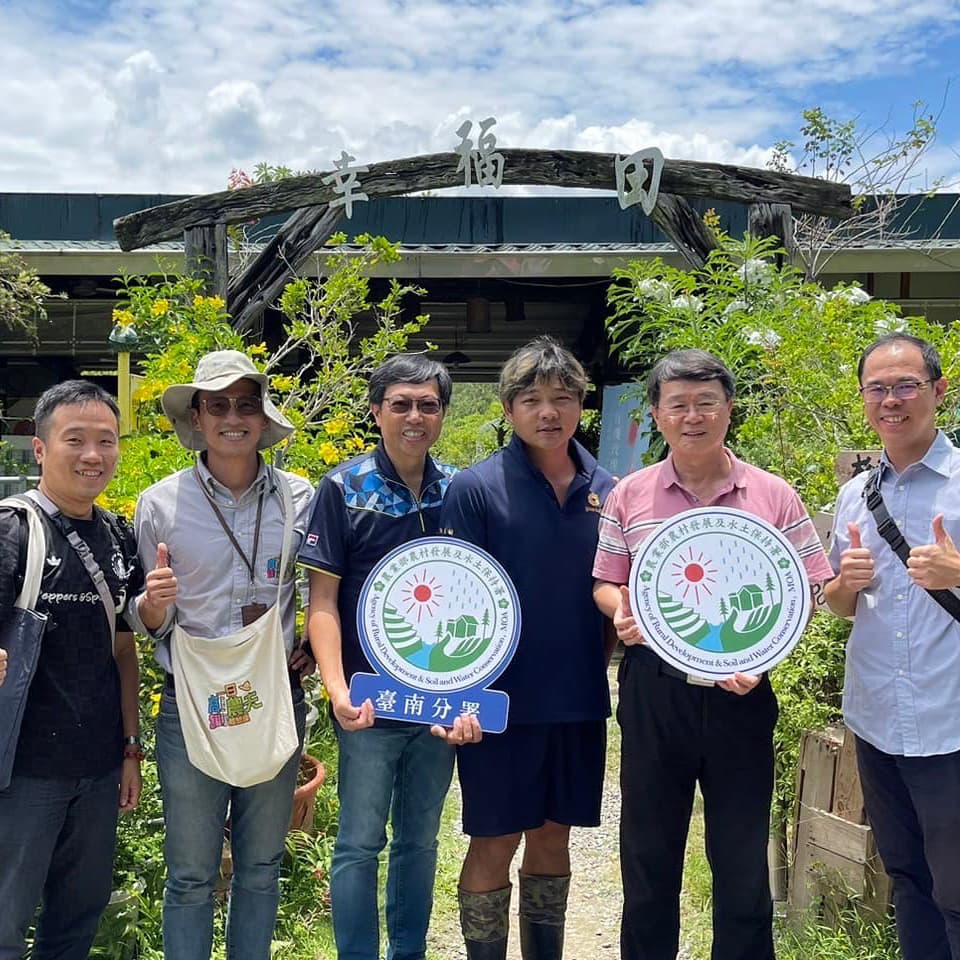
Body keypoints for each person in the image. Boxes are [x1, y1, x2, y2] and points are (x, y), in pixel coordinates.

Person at [592, 349, 833, 960]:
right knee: (647, 851)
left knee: (742, 855)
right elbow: (605, 579)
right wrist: (620, 608)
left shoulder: (774, 495)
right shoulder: (631, 495)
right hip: (654, 689)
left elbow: (809, 586)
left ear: (729, 410)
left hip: (743, 690)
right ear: (657, 415)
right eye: (678, 405)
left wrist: (769, 649)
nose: (692, 416)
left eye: (706, 403)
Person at [131, 350, 315, 960]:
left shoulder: (299, 497)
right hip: (189, 709)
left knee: (261, 867)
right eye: (218, 404)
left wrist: (312, 640)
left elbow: (317, 591)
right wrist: (153, 606)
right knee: (189, 876)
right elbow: (147, 621)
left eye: (245, 404)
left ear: (263, 418)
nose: (232, 417)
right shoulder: (159, 504)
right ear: (198, 417)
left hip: (272, 702)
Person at [438, 337, 616, 960]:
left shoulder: (610, 489)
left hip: (578, 698)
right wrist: (453, 700)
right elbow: (453, 604)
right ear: (509, 409)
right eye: (533, 400)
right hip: (496, 706)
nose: (549, 412)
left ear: (581, 406)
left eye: (562, 398)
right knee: (493, 840)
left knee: (553, 838)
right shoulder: (476, 488)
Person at [298, 354, 473, 960]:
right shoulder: (343, 489)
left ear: (443, 414)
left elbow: (483, 602)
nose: (415, 416)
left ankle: (409, 952)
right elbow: (322, 599)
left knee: (420, 842)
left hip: (438, 702)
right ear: (376, 412)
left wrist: (469, 694)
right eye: (400, 403)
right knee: (357, 842)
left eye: (428, 404)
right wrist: (336, 688)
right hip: (368, 701)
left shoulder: (462, 492)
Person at [825, 333, 960, 960]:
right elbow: (841, 607)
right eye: (877, 388)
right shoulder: (856, 495)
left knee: (958, 891)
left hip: (951, 723)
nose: (891, 400)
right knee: (907, 878)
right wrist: (844, 587)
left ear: (937, 390)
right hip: (877, 720)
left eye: (906, 385)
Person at [0, 380, 143, 960]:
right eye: (75, 440)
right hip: (22, 771)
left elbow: (123, 648)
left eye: (105, 441)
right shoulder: (12, 530)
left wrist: (130, 748)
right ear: (40, 450)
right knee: (5, 922)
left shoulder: (116, 535)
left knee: (75, 922)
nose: (92, 455)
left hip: (98, 767)